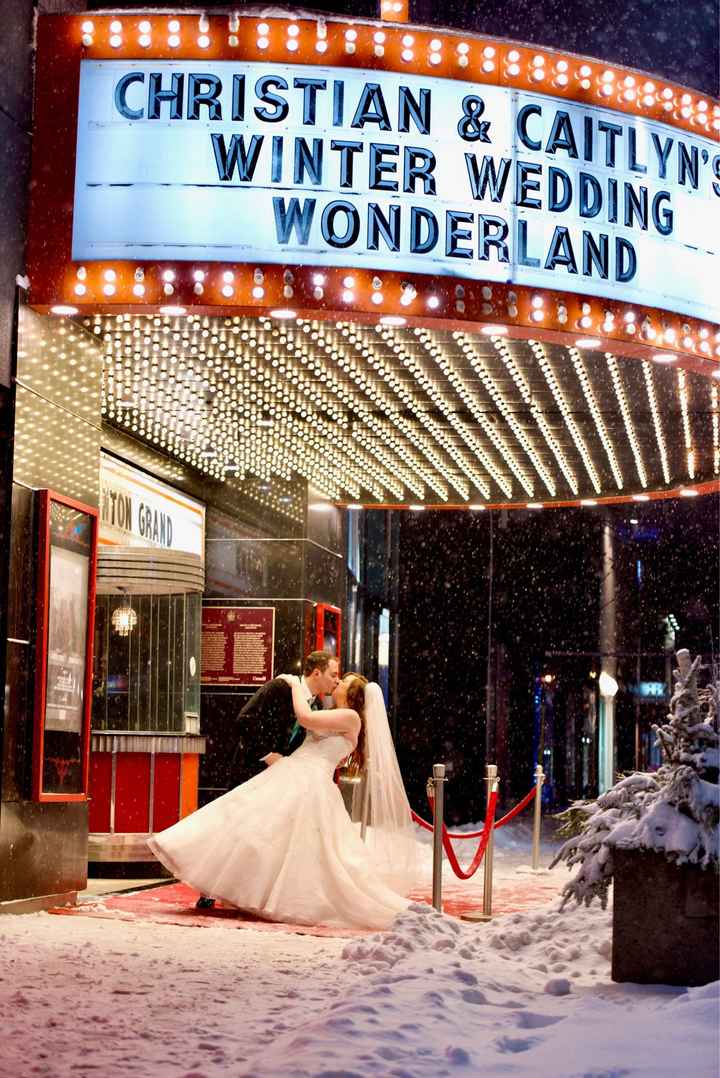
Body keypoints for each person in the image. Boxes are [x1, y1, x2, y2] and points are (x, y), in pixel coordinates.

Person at [146, 674, 418, 930]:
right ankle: (236, 886)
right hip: (295, 774)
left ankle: (273, 895)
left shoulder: (350, 717)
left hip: (308, 781)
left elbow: (305, 717)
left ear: (353, 694)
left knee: (286, 842)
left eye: (343, 681)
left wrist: (294, 685)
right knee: (255, 829)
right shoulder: (336, 714)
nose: (338, 682)